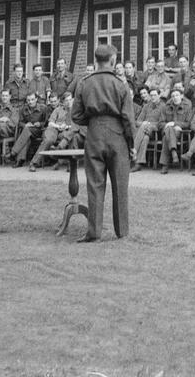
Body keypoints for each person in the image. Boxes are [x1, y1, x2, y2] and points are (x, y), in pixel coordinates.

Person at [71, 44, 137, 241]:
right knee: (120, 186)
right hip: (117, 136)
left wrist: (93, 121)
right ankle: (122, 231)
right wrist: (132, 145)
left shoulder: (84, 83)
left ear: (96, 60)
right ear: (113, 60)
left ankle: (94, 232)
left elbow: (76, 115)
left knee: (94, 185)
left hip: (94, 136)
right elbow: (128, 119)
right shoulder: (120, 84)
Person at [10, 92, 50, 167]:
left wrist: (40, 123)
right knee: (26, 132)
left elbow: (47, 122)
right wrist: (25, 124)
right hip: (28, 131)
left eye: (32, 99)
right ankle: (20, 160)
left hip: (40, 130)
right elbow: (19, 122)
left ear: (36, 99)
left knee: (26, 131)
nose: (30, 102)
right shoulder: (23, 109)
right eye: (28, 100)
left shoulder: (43, 108)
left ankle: (13, 152)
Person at [130, 88, 166, 172]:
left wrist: (149, 124)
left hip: (156, 131)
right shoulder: (146, 106)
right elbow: (138, 121)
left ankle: (132, 152)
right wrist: (143, 123)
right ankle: (139, 163)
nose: (153, 97)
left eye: (155, 95)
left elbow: (161, 123)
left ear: (159, 95)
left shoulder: (163, 106)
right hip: (144, 131)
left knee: (143, 127)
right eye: (151, 95)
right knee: (145, 138)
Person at [159, 86, 193, 173]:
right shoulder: (166, 107)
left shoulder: (187, 107)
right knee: (168, 130)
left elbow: (188, 123)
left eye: (177, 95)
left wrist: (175, 124)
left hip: (181, 133)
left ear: (181, 96)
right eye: (173, 96)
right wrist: (168, 125)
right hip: (167, 130)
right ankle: (173, 151)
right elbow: (160, 123)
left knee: (166, 137)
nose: (175, 97)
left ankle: (165, 165)